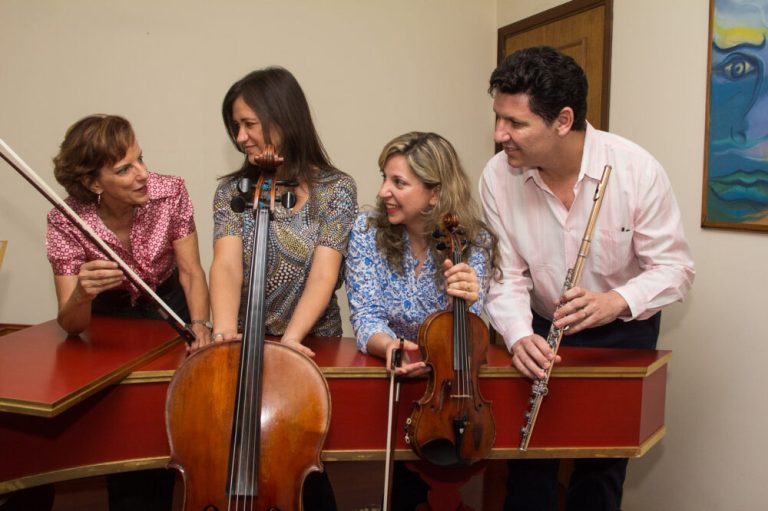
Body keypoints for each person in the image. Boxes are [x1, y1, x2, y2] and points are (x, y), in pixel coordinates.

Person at [479, 46, 695, 511]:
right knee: (528, 463)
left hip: (622, 331)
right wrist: (517, 335)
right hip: (537, 328)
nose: (499, 135)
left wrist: (615, 301)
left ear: (562, 120)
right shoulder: (497, 177)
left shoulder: (636, 170)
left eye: (515, 123)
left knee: (601, 469)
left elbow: (675, 269)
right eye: (498, 118)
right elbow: (505, 275)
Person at [45, 114, 212, 510]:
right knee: (124, 433)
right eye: (124, 169)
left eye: (141, 158)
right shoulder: (64, 220)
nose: (143, 174)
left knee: (174, 423)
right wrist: (82, 294)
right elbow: (71, 324)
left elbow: (191, 271)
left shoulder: (170, 192)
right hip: (109, 321)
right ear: (92, 183)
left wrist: (200, 325)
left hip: (170, 308)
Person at [209, 67, 357, 511]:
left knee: (303, 462)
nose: (240, 137)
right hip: (245, 344)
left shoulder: (336, 189)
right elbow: (226, 266)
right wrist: (223, 334)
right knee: (235, 451)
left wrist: (291, 342)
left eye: (249, 124)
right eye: (235, 126)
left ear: (283, 118)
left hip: (310, 343)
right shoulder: (232, 192)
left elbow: (324, 274)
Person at [345, 131, 498, 510]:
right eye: (384, 178)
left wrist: (466, 299)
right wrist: (389, 347)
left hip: (451, 390)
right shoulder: (366, 230)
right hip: (390, 381)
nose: (383, 191)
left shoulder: (473, 242)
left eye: (398, 182)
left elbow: (469, 332)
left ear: (435, 194)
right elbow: (367, 315)